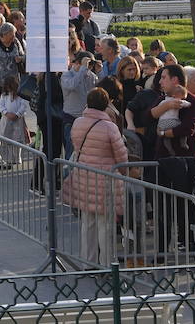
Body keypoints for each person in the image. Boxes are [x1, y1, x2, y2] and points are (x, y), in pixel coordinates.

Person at [60, 88, 128, 266]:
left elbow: (76, 146)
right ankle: (106, 265)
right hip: (105, 179)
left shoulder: (78, 123)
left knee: (87, 222)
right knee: (105, 225)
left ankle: (87, 263)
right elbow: (121, 156)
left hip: (84, 176)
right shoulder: (110, 127)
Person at [0, 74, 30, 144]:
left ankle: (17, 154)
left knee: (17, 140)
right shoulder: (4, 95)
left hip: (17, 121)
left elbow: (23, 105)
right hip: (6, 120)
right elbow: (1, 105)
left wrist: (17, 114)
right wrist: (6, 113)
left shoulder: (20, 96)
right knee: (5, 139)